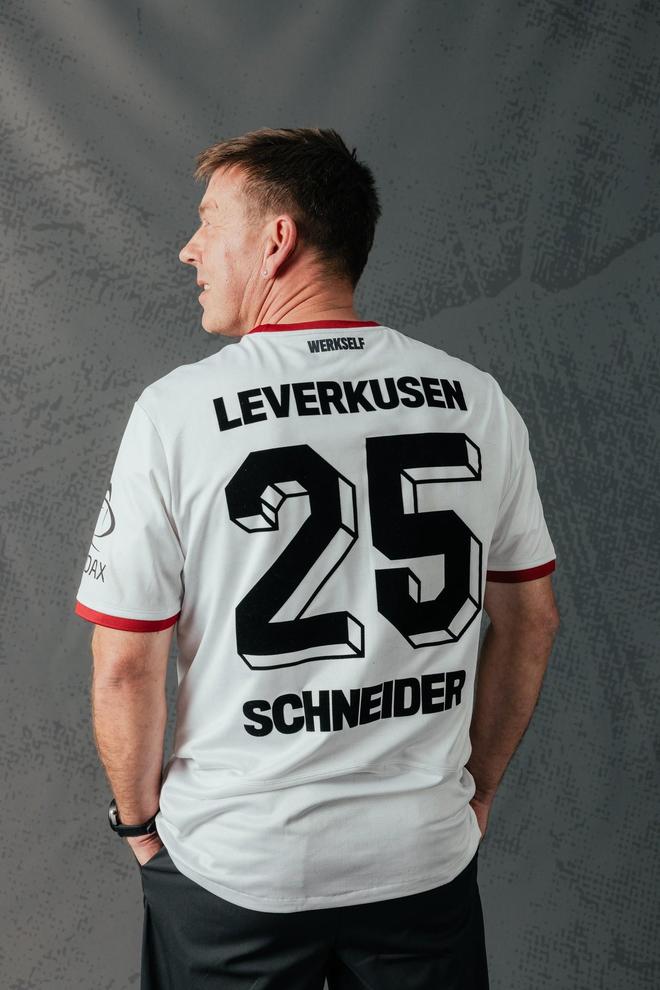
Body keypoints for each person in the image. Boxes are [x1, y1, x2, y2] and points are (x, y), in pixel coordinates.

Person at [74, 126, 560, 989]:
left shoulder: (177, 412)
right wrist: (476, 791)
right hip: (422, 855)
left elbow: (124, 665)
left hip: (236, 862)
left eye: (208, 221)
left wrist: (140, 829)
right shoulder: (477, 401)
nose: (189, 248)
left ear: (277, 239)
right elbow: (532, 620)